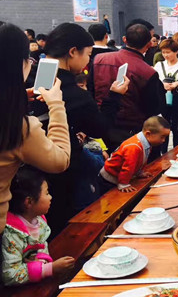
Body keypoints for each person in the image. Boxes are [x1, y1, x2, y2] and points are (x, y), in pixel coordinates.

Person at [0, 19, 70, 297]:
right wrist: (56, 104)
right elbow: (59, 160)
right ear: (15, 67)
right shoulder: (16, 128)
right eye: (28, 60)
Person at [37, 23, 129, 235]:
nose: (88, 61)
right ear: (72, 52)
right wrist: (115, 97)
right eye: (87, 54)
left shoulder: (32, 80)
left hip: (30, 175)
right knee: (72, 228)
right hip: (64, 173)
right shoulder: (72, 92)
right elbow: (100, 128)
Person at [93, 23, 164, 152]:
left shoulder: (99, 59)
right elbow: (152, 108)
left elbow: (91, 90)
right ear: (149, 44)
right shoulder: (147, 72)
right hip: (131, 131)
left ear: (124, 39)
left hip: (100, 126)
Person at [2, 167, 75, 286]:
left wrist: (41, 261)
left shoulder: (38, 220)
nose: (50, 197)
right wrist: (49, 268)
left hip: (32, 279)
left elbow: (42, 246)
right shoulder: (11, 234)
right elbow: (11, 274)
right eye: (46, 193)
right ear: (29, 202)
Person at [99, 116, 170, 194]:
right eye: (162, 137)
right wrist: (123, 184)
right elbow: (128, 167)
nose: (163, 140)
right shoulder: (134, 147)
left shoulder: (146, 142)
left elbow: (141, 160)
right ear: (148, 134)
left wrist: (139, 172)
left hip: (121, 176)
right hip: (109, 179)